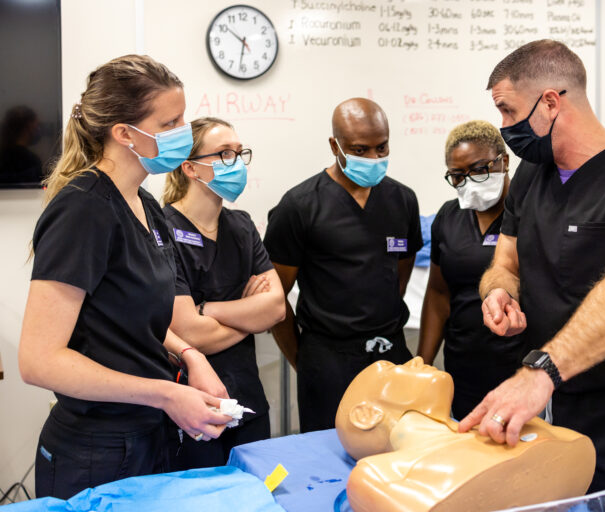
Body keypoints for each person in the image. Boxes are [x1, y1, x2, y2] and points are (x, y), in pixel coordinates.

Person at [457, 39, 605, 496]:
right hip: (550, 401)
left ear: (550, 102)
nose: (504, 127)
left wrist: (539, 373)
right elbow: (504, 261)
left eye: (508, 111)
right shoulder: (531, 175)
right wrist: (498, 291)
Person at [17, 55, 232, 499]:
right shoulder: (84, 209)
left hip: (147, 435)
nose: (182, 135)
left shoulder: (145, 204)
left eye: (182, 119)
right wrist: (167, 395)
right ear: (123, 133)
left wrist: (192, 356)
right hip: (95, 451)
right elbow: (38, 361)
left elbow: (134, 319)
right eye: (170, 123)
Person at [264, 98, 423, 433]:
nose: (374, 159)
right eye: (360, 150)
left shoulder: (402, 200)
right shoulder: (300, 206)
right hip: (328, 359)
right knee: (327, 455)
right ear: (335, 145)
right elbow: (275, 302)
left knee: (397, 449)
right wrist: (306, 360)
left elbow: (398, 278)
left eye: (382, 148)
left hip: (390, 352)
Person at [162, 116, 285, 468]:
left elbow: (276, 308)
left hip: (247, 398)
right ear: (190, 168)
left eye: (239, 153)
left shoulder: (242, 226)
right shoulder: (163, 230)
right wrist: (249, 311)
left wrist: (208, 309)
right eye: (223, 154)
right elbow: (188, 333)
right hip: (192, 405)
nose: (237, 163)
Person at [336, 357, 596, 511]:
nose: (415, 359)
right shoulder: (379, 475)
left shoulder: (504, 426)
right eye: (393, 367)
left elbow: (575, 448)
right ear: (366, 415)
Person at [417, 120, 523, 420]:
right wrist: (422, 363)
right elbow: (438, 294)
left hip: (521, 369)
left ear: (503, 161)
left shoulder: (530, 212)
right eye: (458, 176)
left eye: (479, 169)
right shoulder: (449, 219)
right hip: (464, 366)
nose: (469, 181)